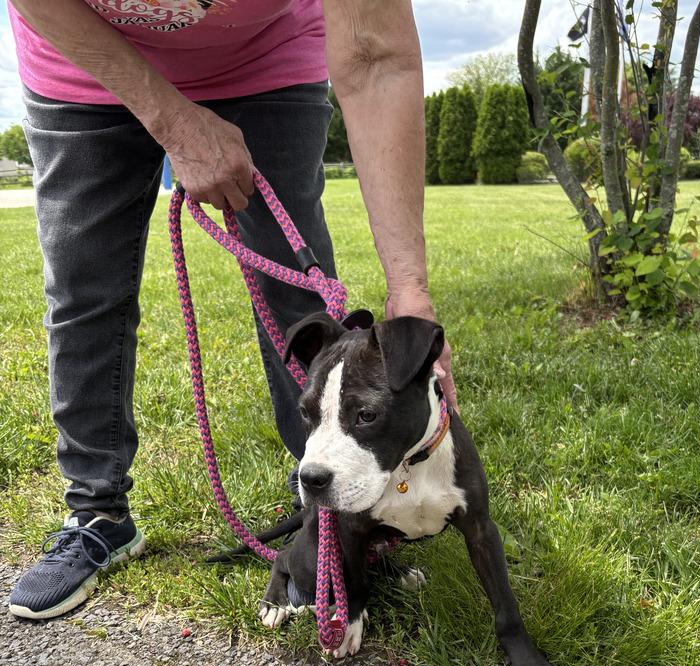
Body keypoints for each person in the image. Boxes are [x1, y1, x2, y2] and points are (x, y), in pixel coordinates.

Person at [6, 0, 457, 620]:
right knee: (86, 293)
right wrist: (176, 123)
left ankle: (327, 517)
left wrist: (410, 289)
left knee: (297, 298)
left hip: (265, 60)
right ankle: (96, 512)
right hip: (81, 66)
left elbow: (377, 56)